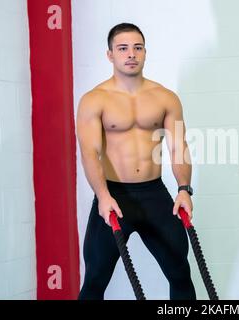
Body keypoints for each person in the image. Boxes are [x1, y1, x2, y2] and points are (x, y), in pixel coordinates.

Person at [76, 23, 196, 300]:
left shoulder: (165, 97)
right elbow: (89, 152)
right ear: (110, 55)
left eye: (137, 47)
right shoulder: (95, 100)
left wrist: (183, 189)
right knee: (95, 280)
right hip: (113, 197)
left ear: (145, 52)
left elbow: (179, 146)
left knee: (180, 273)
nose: (131, 54)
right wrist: (103, 196)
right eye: (123, 48)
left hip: (155, 196)